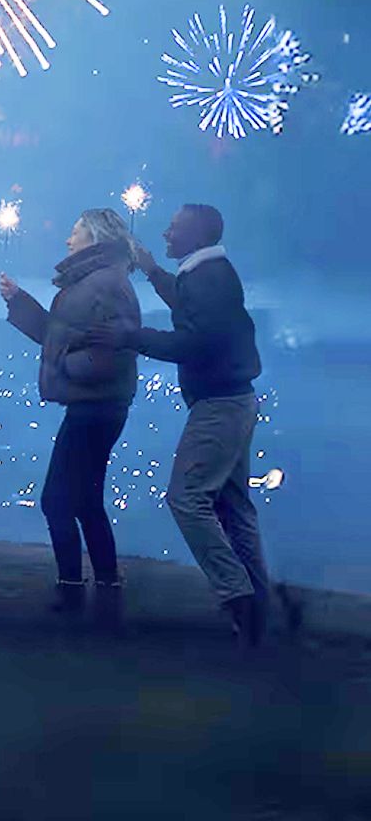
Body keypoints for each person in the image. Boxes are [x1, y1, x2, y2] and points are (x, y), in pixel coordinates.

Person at [92, 204, 269, 647]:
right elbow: (193, 313)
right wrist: (152, 270)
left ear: (197, 234)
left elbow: (193, 343)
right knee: (232, 506)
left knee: (187, 498)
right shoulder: (208, 272)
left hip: (218, 404)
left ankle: (238, 596)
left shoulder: (206, 278)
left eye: (175, 227)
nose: (166, 232)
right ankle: (256, 603)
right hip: (235, 398)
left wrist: (131, 336)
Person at [0, 208, 141, 631]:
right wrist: (20, 303)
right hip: (99, 403)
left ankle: (72, 588)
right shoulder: (97, 281)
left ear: (95, 237)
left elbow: (117, 347)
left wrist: (67, 368)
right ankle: (106, 585)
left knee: (57, 499)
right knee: (84, 498)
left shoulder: (105, 283)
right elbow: (58, 336)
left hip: (95, 404)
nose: (68, 239)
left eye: (75, 231)